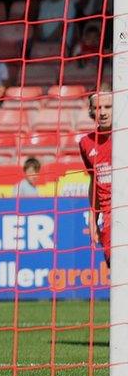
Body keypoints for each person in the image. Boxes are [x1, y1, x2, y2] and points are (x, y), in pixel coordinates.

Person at [80, 91, 112, 265]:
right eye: (98, 108)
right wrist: (93, 219)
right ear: (92, 111)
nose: (103, 112)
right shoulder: (86, 143)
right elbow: (95, 181)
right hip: (109, 217)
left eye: (108, 106)